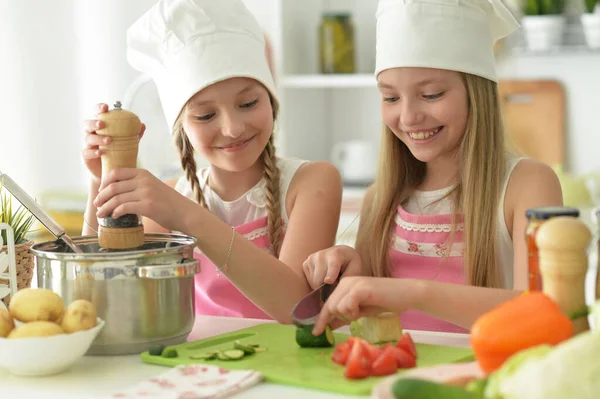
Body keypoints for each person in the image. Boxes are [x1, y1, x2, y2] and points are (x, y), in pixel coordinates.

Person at [306, 0, 563, 334]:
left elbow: (542, 316)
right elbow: (361, 316)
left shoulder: (527, 185)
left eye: (431, 94)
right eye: (391, 98)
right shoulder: (380, 200)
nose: (409, 117)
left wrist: (415, 293)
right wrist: (347, 271)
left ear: (476, 94)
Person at [81, 0, 343, 323]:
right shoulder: (168, 200)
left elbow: (297, 309)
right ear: (182, 128)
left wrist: (183, 213)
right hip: (197, 369)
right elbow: (100, 296)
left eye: (248, 103)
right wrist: (100, 184)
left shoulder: (312, 182)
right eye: (206, 115)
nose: (232, 128)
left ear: (271, 101)